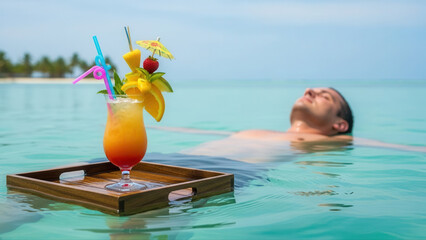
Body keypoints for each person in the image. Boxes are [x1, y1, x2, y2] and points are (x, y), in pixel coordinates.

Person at [150, 87, 426, 162]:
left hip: (224, 176)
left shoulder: (335, 140)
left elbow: (393, 147)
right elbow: (210, 134)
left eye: (324, 95)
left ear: (340, 125)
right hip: (175, 160)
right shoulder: (262, 131)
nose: (309, 90)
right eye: (311, 89)